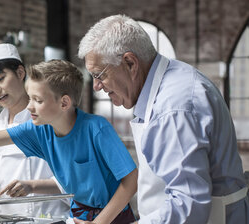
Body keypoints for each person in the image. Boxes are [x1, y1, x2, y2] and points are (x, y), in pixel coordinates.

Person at [0, 59, 138, 224]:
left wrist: (101, 223)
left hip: (115, 217)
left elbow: (131, 179)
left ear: (64, 103)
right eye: (30, 98)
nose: (29, 106)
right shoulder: (39, 130)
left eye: (37, 100)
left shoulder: (96, 129)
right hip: (77, 216)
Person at [77, 14, 249, 224]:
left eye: (99, 75)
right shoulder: (162, 85)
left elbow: (188, 207)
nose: (96, 86)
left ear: (130, 63)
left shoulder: (173, 107)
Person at [0, 43, 70, 217]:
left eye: (0, 78)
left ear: (20, 73)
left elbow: (72, 178)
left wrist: (32, 186)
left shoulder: (49, 120)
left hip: (51, 218)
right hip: (8, 220)